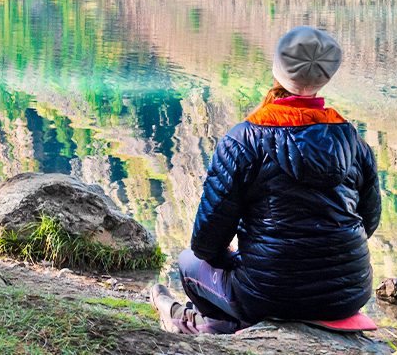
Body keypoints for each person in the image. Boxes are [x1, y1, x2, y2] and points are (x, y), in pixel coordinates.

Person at [151, 26, 381, 335]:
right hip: (348, 295)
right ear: (326, 77)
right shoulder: (352, 140)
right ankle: (217, 325)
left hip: (269, 295)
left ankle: (209, 325)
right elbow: (368, 222)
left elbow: (207, 243)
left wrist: (232, 260)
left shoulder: (244, 140)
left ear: (276, 70)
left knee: (188, 260)